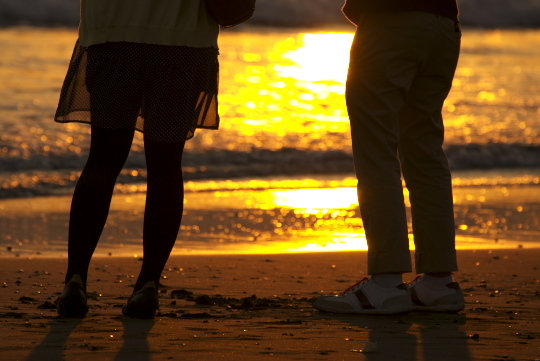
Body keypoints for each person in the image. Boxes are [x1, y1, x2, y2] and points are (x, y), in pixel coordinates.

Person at [54, 0, 220, 318]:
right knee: (165, 165)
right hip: (182, 39)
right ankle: (147, 286)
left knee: (103, 159)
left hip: (112, 33)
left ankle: (74, 280)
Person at [313, 0, 465, 314]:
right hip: (442, 24)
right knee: (424, 149)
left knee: (376, 148)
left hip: (390, 21)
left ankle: (386, 282)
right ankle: (438, 282)